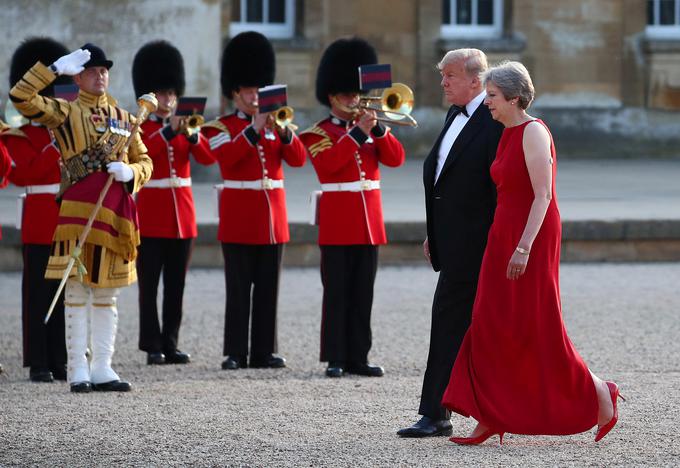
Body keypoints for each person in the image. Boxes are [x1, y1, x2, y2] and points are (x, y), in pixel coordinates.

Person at [441, 61, 622, 445]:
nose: (486, 102)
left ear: (515, 98)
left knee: (536, 327)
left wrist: (523, 247)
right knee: (491, 322)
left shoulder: (533, 132)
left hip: (531, 237)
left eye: (491, 96)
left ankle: (601, 393)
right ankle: (491, 414)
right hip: (503, 233)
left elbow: (543, 196)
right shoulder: (505, 132)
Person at [10, 43, 152, 393]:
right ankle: (78, 369)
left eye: (104, 70)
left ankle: (102, 366)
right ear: (79, 75)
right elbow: (21, 97)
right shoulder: (65, 111)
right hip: (77, 215)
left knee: (107, 295)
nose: (100, 75)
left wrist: (131, 172)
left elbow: (147, 161)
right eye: (92, 70)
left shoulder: (124, 119)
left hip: (114, 216)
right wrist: (55, 68)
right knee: (75, 293)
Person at [397, 49, 503, 437]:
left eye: (450, 76)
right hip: (453, 239)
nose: (442, 83)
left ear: (476, 80)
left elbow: (497, 187)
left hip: (479, 244)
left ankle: (440, 413)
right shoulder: (452, 114)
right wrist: (435, 230)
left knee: (456, 324)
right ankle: (441, 412)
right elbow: (446, 180)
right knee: (449, 323)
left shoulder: (494, 120)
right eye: (442, 75)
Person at [300, 37, 405, 378]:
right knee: (337, 293)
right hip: (338, 222)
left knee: (363, 293)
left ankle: (359, 356)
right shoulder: (316, 134)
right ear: (331, 96)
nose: (353, 99)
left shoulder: (372, 129)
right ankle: (335, 357)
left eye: (355, 93)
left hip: (369, 222)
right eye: (346, 94)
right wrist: (359, 134)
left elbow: (396, 159)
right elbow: (330, 166)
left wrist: (378, 130)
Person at [202, 31, 306, 370]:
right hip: (239, 217)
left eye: (259, 89)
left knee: (267, 289)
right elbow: (228, 159)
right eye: (249, 90)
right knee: (238, 289)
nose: (255, 96)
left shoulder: (277, 125)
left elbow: (298, 160)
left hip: (272, 218)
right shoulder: (220, 127)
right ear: (235, 92)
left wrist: (285, 131)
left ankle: (263, 350)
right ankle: (235, 351)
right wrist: (254, 129)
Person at [132, 40, 215, 366]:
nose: (167, 101)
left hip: (183, 217)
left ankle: (171, 342)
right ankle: (151, 343)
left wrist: (191, 135)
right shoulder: (139, 126)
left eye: (171, 94)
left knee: (176, 286)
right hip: (151, 216)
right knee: (149, 285)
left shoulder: (186, 127)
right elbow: (143, 150)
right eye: (162, 95)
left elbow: (208, 157)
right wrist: (169, 132)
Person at [1, 37, 71, 383]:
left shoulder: (68, 129)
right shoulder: (20, 134)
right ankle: (38, 360)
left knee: (63, 292)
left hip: (67, 218)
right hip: (39, 219)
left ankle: (60, 357)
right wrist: (54, 145)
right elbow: (22, 173)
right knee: (37, 294)